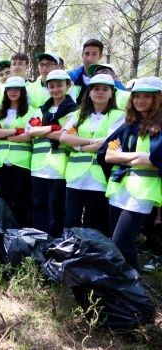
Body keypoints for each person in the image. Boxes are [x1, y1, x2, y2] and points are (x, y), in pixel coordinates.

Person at [101, 76, 162, 270]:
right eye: (136, 96)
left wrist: (124, 155)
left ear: (157, 99)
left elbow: (154, 160)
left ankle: (135, 289)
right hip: (119, 188)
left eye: (147, 96)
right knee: (115, 243)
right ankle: (121, 286)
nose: (140, 101)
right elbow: (108, 155)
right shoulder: (128, 125)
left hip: (143, 191)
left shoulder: (159, 127)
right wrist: (138, 157)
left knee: (122, 242)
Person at [60, 74, 125, 234]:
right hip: (75, 177)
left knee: (95, 222)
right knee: (70, 221)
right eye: (96, 88)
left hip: (100, 177)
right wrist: (91, 142)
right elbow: (63, 137)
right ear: (89, 92)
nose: (100, 92)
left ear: (112, 93)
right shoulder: (79, 114)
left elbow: (108, 143)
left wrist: (78, 145)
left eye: (105, 89)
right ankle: (69, 254)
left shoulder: (119, 115)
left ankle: (93, 257)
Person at [28, 69, 78, 236]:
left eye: (59, 85)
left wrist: (42, 130)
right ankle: (37, 239)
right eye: (52, 86)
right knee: (38, 205)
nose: (55, 89)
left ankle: (53, 242)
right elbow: (30, 131)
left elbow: (67, 135)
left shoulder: (75, 111)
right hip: (39, 165)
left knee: (56, 208)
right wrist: (54, 128)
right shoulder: (41, 109)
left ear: (68, 86)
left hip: (59, 167)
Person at [0, 77, 37, 226]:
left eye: (17, 89)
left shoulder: (32, 111)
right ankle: (5, 234)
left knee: (21, 201)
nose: (13, 92)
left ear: (23, 91)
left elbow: (29, 134)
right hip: (0, 162)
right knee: (4, 201)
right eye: (10, 89)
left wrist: (4, 134)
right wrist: (16, 131)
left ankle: (20, 233)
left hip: (22, 162)